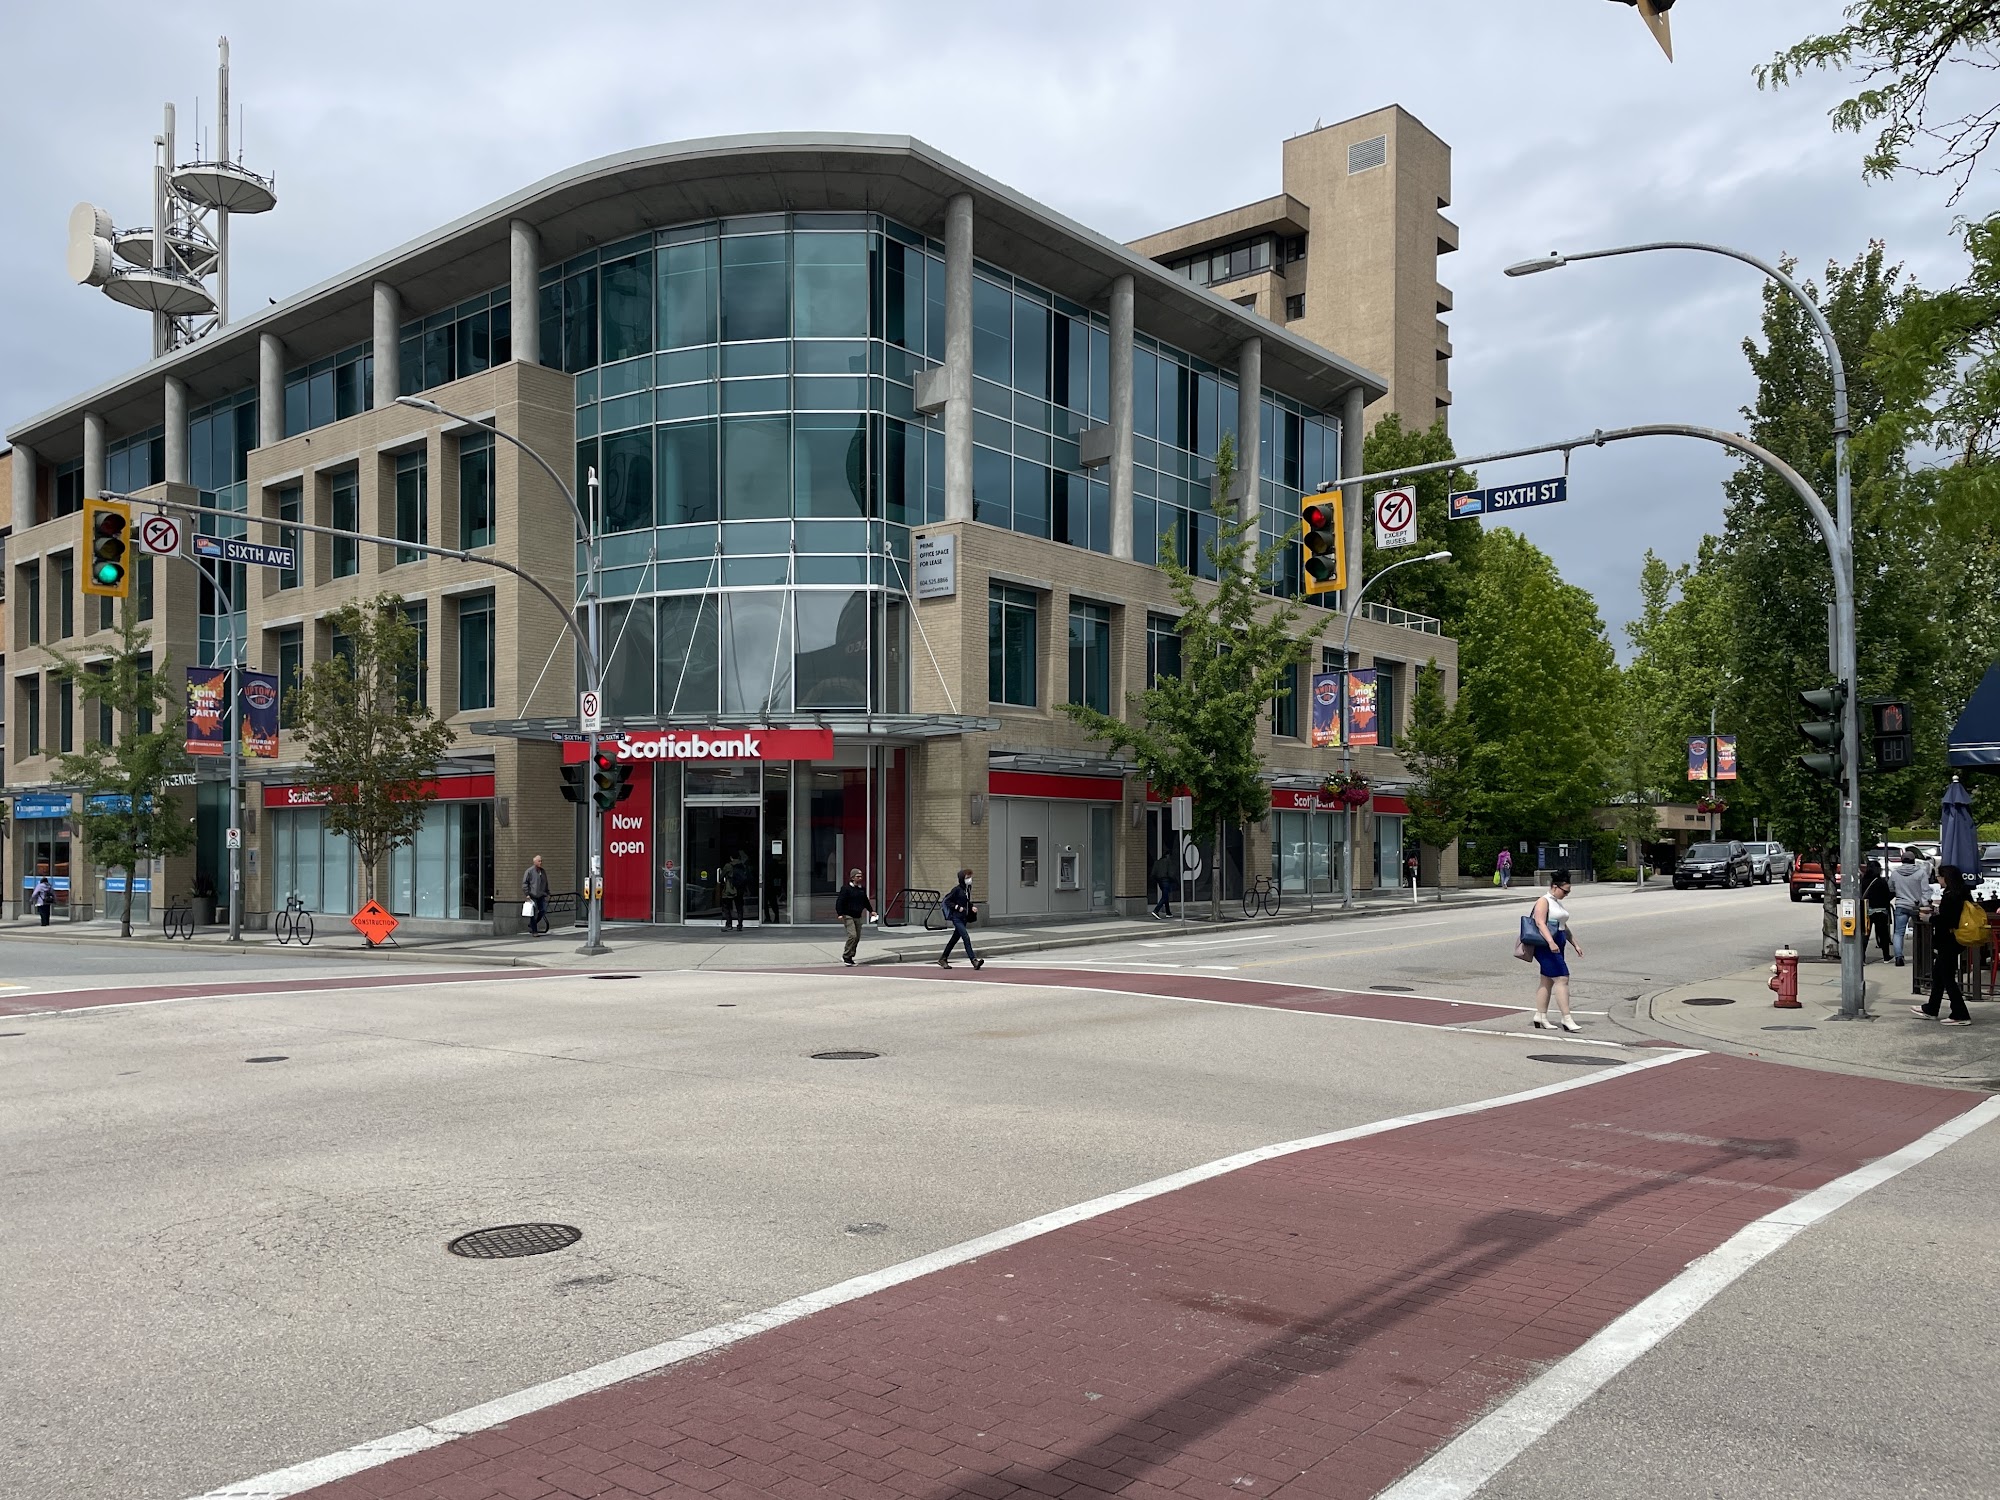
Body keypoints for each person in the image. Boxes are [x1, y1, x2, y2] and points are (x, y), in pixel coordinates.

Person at [1913, 863, 1974, 1026]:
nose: (1938, 880)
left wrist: (1930, 918)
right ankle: (1931, 1008)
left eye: (1939, 877)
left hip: (1948, 940)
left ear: (1946, 878)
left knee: (1947, 977)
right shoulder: (1963, 893)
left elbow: (1948, 920)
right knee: (1939, 975)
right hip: (1955, 940)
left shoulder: (1951, 896)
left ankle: (1960, 1014)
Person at [1529, 870, 1584, 1031]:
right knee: (1562, 978)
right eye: (1565, 891)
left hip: (1558, 940)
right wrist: (1551, 942)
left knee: (1546, 979)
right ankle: (1567, 1018)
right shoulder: (1544, 901)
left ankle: (1540, 1016)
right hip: (1546, 944)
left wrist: (1575, 944)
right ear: (1555, 887)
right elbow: (1540, 922)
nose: (1566, 894)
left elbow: (1563, 926)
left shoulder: (1557, 902)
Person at [1888, 847, 1927, 966]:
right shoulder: (1921, 873)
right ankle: (1920, 956)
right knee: (1919, 932)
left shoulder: (1895, 874)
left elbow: (1890, 888)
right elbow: (1925, 890)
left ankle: (1898, 957)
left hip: (1901, 904)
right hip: (1916, 905)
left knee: (1898, 932)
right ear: (1914, 860)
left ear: (1901, 860)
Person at [939, 867, 984, 970]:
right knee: (966, 937)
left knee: (954, 939)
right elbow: (947, 901)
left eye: (970, 877)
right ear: (962, 878)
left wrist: (971, 907)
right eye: (967, 877)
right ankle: (974, 961)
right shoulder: (957, 890)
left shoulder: (967, 889)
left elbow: (966, 902)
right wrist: (957, 907)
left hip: (964, 918)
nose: (970, 879)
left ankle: (943, 958)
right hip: (957, 918)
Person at [834, 868, 875, 966]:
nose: (860, 878)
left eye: (861, 876)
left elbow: (865, 901)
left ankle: (850, 956)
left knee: (857, 937)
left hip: (858, 915)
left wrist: (871, 911)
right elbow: (840, 901)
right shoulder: (846, 889)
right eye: (858, 876)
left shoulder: (861, 889)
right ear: (852, 877)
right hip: (848, 915)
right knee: (852, 935)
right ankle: (846, 955)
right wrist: (840, 913)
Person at [1861, 858, 1893, 962]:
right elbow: (1887, 896)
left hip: (1866, 911)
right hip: (1881, 911)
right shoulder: (1881, 881)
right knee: (1883, 935)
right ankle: (1886, 956)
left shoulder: (1863, 881)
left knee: (1865, 935)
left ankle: (1862, 958)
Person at [521, 855, 551, 935]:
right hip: (533, 895)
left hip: (542, 895)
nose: (540, 862)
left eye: (541, 861)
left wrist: (547, 892)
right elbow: (525, 883)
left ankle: (532, 924)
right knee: (534, 913)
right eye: (539, 861)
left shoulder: (543, 871)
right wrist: (527, 893)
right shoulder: (529, 871)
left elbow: (545, 883)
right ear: (534, 862)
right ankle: (534, 931)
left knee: (543, 910)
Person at [720, 852, 749, 930]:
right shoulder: (743, 865)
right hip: (740, 889)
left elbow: (721, 876)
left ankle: (729, 924)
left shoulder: (728, 866)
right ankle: (740, 925)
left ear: (731, 857)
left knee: (727, 907)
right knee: (739, 907)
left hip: (730, 889)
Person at [1150, 848, 1178, 919]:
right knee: (1165, 897)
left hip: (1160, 881)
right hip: (1166, 880)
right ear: (1168, 855)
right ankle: (1156, 910)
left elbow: (1153, 873)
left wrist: (1157, 880)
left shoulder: (1157, 862)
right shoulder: (1168, 862)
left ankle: (1168, 912)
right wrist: (1174, 880)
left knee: (1166, 896)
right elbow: (1171, 873)